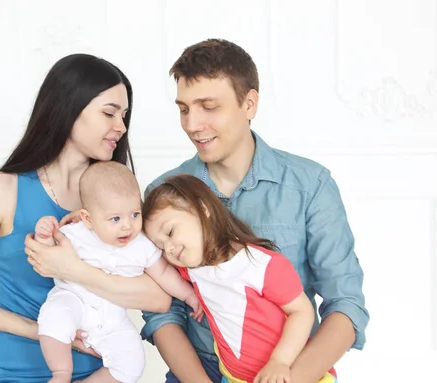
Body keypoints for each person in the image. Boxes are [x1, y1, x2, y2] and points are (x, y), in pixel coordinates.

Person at [0, 53, 172, 383]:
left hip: (98, 374)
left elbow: (158, 297)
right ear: (69, 109)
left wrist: (73, 270)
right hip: (12, 373)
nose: (121, 127)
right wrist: (40, 331)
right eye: (109, 113)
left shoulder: (114, 200)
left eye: (124, 115)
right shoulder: (3, 190)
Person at [140, 39, 369, 383]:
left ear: (249, 104)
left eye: (208, 106)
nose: (191, 124)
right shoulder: (163, 195)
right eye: (184, 108)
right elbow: (163, 312)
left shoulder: (310, 185)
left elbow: (346, 305)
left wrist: (288, 377)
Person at [143, 174, 339, 383]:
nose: (169, 249)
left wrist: (279, 362)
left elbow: (302, 311)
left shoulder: (259, 264)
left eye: (170, 232)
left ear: (202, 209)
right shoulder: (191, 269)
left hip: (289, 373)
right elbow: (157, 271)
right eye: (160, 247)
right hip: (234, 377)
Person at [34, 162, 202, 383]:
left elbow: (163, 273)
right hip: (73, 300)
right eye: (115, 219)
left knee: (132, 362)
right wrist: (44, 235)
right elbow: (48, 256)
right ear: (88, 219)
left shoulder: (142, 244)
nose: (127, 226)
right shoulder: (76, 233)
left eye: (134, 214)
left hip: (112, 317)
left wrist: (189, 296)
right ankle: (61, 373)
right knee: (53, 318)